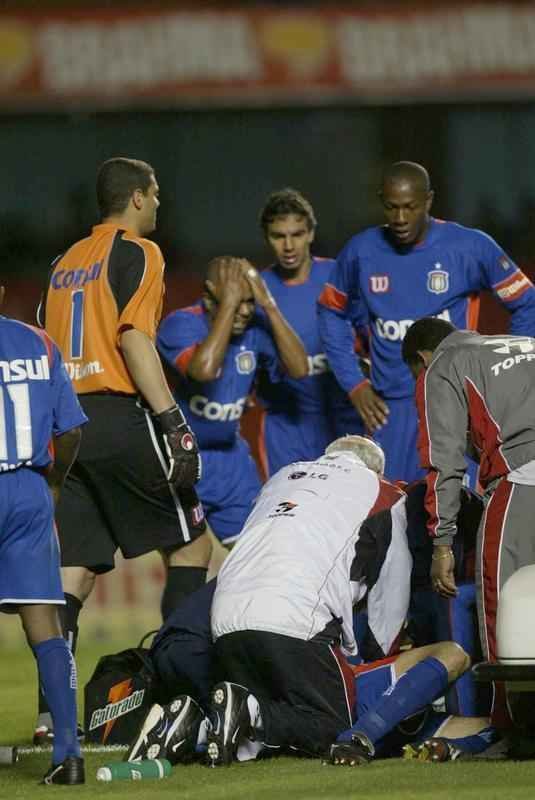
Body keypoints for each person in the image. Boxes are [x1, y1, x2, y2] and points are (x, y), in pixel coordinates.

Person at [36, 157, 208, 742]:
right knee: (191, 548)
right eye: (156, 194)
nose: (160, 204)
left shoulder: (63, 264)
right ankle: (176, 694)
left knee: (72, 576)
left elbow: (46, 345)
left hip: (68, 429)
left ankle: (49, 715)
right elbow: (133, 338)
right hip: (118, 414)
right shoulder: (139, 252)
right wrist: (173, 420)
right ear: (136, 198)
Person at [318, 161, 535, 483]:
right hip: (391, 412)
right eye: (392, 207)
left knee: (461, 512)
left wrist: (500, 375)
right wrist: (355, 384)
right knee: (394, 518)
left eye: (410, 207)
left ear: (428, 201)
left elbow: (526, 303)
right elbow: (330, 311)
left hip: (455, 408)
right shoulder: (361, 251)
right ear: (382, 201)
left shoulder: (469, 247)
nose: (401, 218)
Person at [207, 435, 410, 764]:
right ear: (378, 471)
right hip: (298, 619)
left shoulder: (282, 477)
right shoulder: (385, 494)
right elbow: (390, 602)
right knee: (334, 726)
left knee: (251, 727)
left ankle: (199, 724)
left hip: (224, 618)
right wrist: (379, 661)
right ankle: (254, 714)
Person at [401, 315, 535, 727]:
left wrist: (442, 543)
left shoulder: (442, 365)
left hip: (522, 481)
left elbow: (444, 464)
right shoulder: (523, 341)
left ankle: (508, 724)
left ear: (422, 358)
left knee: (502, 599)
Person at [157, 255, 308, 546]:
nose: (243, 311)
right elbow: (203, 370)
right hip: (181, 460)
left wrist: (269, 306)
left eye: (248, 301)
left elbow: (300, 369)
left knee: (255, 556)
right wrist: (230, 303)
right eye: (234, 300)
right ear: (209, 296)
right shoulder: (180, 324)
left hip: (231, 463)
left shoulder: (255, 327)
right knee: (190, 560)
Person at [0, 285, 87, 784]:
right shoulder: (40, 343)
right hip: (31, 492)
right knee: (47, 633)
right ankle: (69, 756)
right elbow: (72, 429)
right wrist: (53, 482)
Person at [256, 187, 366, 477]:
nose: (288, 245)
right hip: (287, 428)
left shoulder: (338, 277)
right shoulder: (257, 292)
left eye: (297, 234)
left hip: (344, 422)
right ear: (267, 238)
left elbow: (370, 332)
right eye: (278, 236)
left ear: (311, 234)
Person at [329, 640, 498, 767]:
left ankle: (445, 748)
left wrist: (451, 747)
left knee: (496, 727)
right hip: (355, 696)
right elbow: (454, 655)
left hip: (408, 735)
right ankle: (357, 737)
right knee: (456, 655)